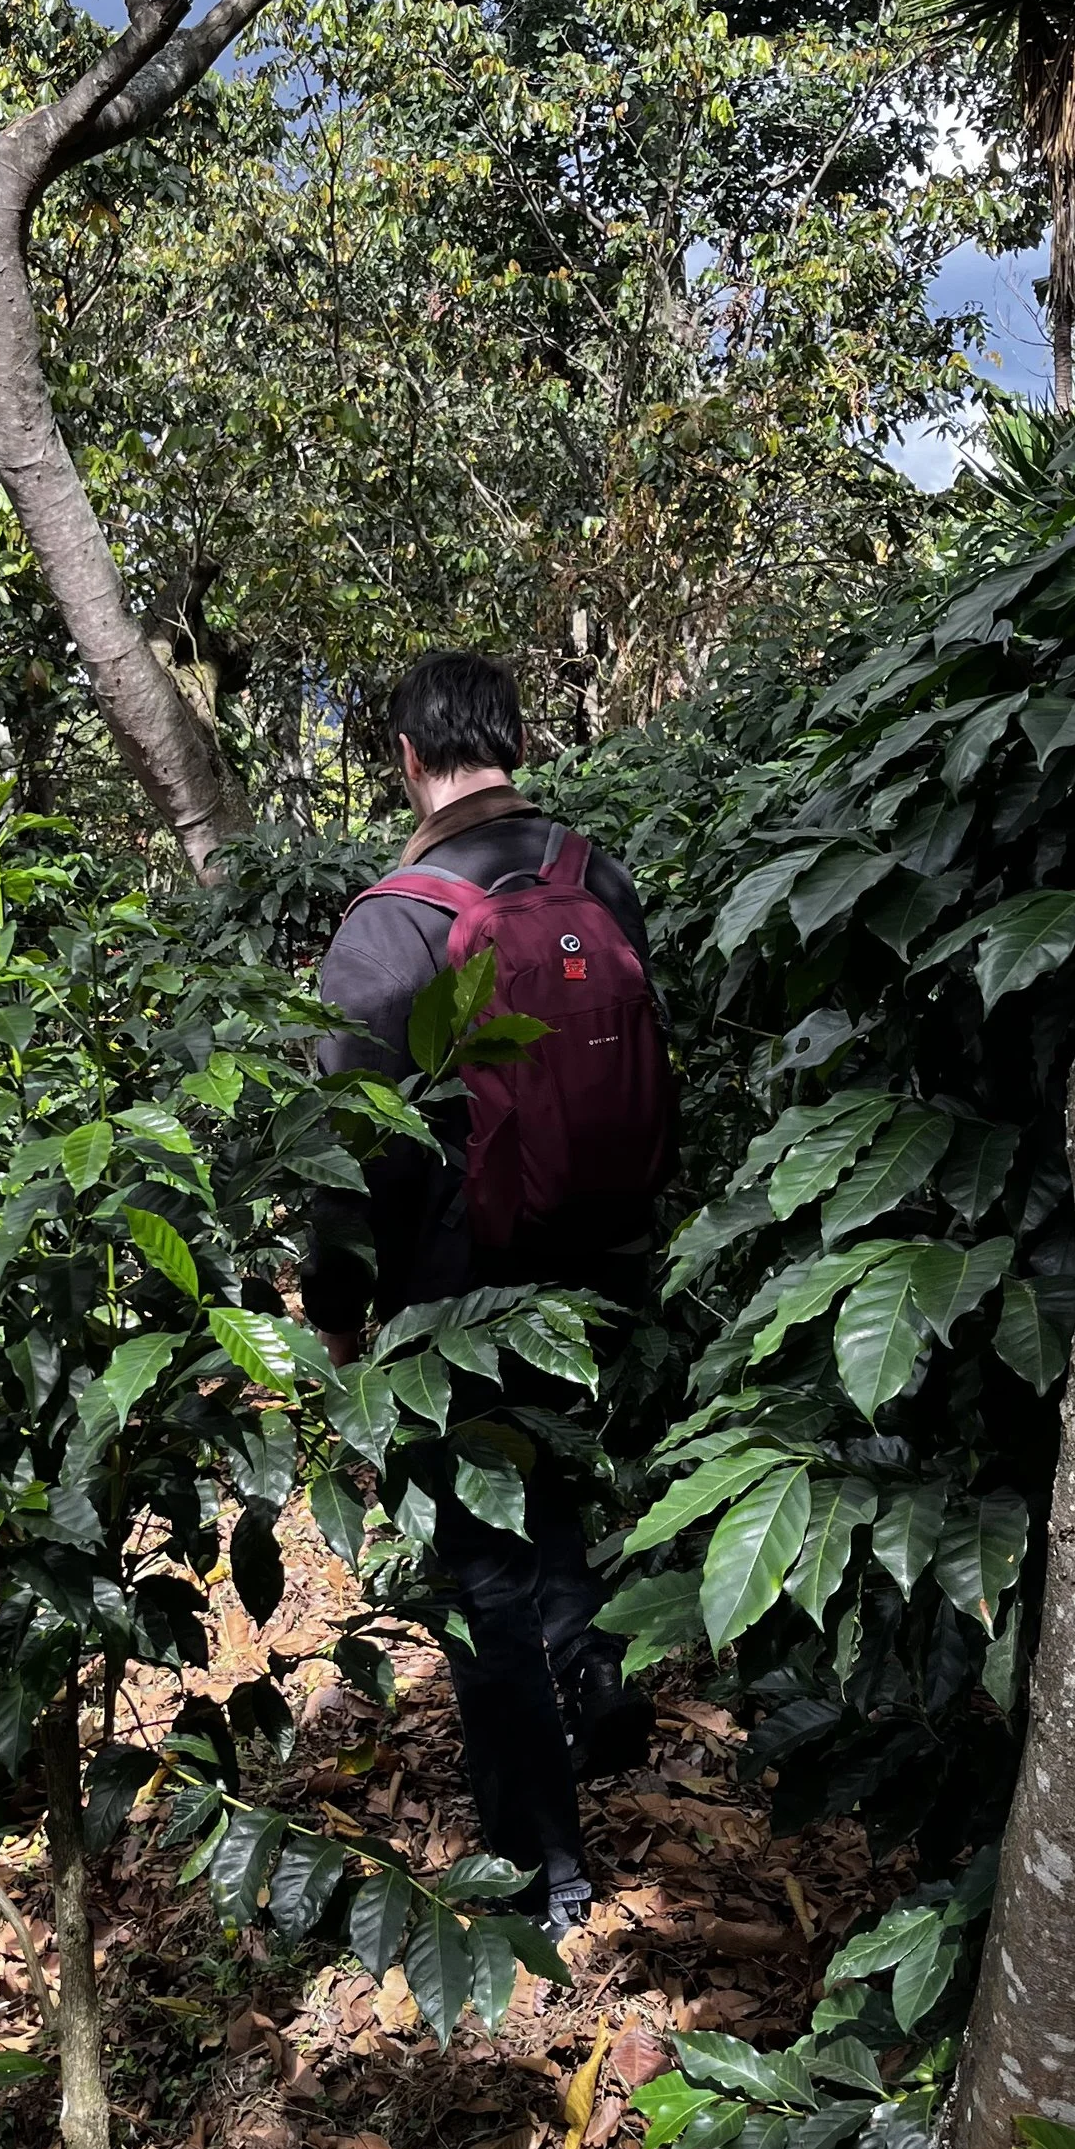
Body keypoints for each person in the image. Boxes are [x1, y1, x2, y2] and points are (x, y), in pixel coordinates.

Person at [303, 649, 665, 1935]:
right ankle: (597, 1668)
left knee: (480, 1576)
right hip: (592, 1267)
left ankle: (544, 1868)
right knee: (554, 1487)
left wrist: (338, 1318)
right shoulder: (593, 875)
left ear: (405, 756)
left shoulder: (388, 923)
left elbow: (351, 1154)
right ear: (516, 739)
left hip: (454, 1302)